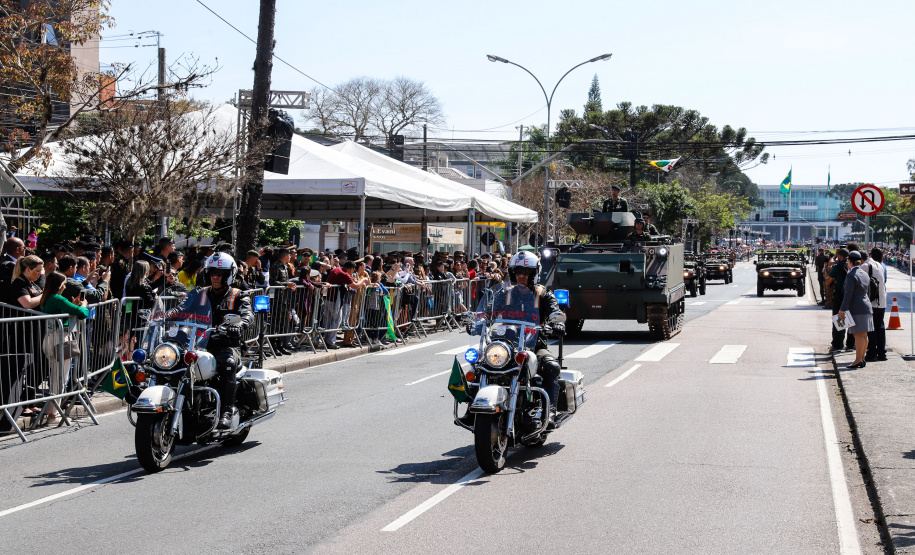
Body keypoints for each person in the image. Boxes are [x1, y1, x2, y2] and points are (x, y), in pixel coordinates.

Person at [506, 251, 564, 424]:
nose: (521, 276)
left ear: (534, 274)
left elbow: (556, 312)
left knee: (551, 366)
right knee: (481, 365)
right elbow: (487, 312)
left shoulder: (543, 294)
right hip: (505, 345)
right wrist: (477, 321)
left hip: (534, 345)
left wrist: (557, 323)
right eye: (518, 272)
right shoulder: (504, 293)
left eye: (526, 273)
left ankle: (550, 412)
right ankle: (474, 409)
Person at [199, 253, 254, 429]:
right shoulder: (200, 294)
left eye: (220, 273)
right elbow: (180, 309)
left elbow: (248, 315)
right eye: (212, 272)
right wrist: (164, 317)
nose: (215, 276)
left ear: (229, 275)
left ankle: (226, 412)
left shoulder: (238, 295)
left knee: (227, 363)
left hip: (227, 345)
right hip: (200, 344)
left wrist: (240, 324)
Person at [39, 271, 89, 423]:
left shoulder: (46, 298)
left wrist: (72, 306)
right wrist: (84, 305)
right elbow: (82, 313)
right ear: (59, 285)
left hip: (49, 339)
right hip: (59, 339)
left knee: (56, 376)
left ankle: (51, 411)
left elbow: (63, 310)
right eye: (64, 283)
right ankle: (53, 415)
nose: (66, 286)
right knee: (60, 378)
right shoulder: (57, 298)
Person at [839, 251, 874, 368]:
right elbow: (868, 292)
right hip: (866, 306)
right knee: (864, 335)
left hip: (856, 307)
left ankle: (858, 360)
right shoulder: (864, 274)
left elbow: (848, 294)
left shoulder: (851, 275)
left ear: (849, 261)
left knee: (858, 335)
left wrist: (842, 309)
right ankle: (862, 358)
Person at [826, 248, 853, 352]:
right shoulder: (850, 266)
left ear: (840, 256)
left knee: (839, 320)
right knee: (850, 321)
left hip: (839, 296)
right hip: (850, 297)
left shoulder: (837, 267)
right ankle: (850, 344)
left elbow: (828, 282)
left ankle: (838, 344)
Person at [865, 247, 887, 362]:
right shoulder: (881, 266)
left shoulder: (867, 266)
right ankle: (882, 353)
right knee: (880, 327)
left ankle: (872, 353)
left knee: (871, 328)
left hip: (872, 301)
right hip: (882, 301)